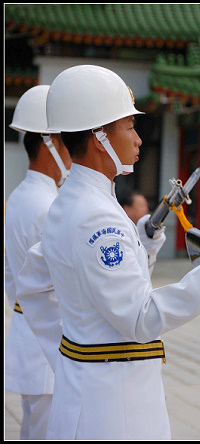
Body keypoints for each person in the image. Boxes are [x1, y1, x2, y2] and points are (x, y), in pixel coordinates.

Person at [15, 64, 200, 440]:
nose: (138, 139)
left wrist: (66, 354)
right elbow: (141, 317)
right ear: (99, 137)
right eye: (129, 126)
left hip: (91, 392)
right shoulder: (96, 216)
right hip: (113, 409)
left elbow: (36, 286)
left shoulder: (73, 201)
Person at [4, 85, 72, 440]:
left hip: (27, 334)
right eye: (67, 140)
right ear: (50, 144)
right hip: (48, 340)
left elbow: (8, 274)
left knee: (34, 429)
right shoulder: (48, 206)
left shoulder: (18, 196)